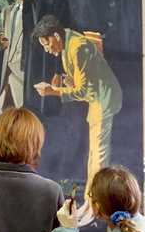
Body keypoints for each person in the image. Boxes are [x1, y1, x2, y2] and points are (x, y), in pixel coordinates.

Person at [33, 15, 123, 197]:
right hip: (97, 99)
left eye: (46, 44)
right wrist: (63, 83)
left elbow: (84, 92)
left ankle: (97, 201)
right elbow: (81, 80)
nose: (47, 50)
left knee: (99, 154)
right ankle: (92, 198)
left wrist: (53, 91)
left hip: (103, 99)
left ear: (56, 37)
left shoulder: (78, 48)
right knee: (94, 153)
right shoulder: (68, 42)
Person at [20, 0, 70, 116]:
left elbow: (62, 37)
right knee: (32, 98)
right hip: (32, 55)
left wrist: (59, 70)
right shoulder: (28, 0)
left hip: (50, 55)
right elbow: (26, 32)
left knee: (50, 97)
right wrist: (24, 60)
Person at [0, 0, 26, 112]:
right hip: (7, 69)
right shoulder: (7, 11)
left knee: (22, 112)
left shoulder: (33, 12)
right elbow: (4, 34)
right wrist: (1, 40)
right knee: (5, 109)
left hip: (22, 70)